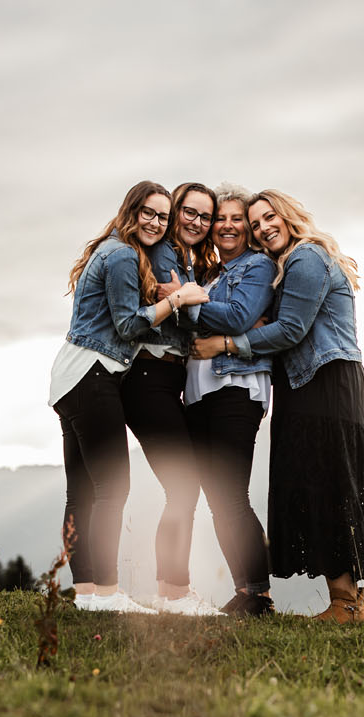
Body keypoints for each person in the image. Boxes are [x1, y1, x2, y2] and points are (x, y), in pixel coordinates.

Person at [193, 189, 364, 621]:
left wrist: (227, 342)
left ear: (288, 217)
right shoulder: (289, 264)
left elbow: (290, 329)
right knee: (327, 485)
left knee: (331, 486)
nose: (262, 227)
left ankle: (346, 602)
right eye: (255, 225)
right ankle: (348, 602)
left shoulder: (306, 257)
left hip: (326, 381)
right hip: (314, 382)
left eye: (268, 217)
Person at [48, 181, 207, 613]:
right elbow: (127, 326)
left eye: (163, 216)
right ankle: (106, 592)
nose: (156, 223)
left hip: (70, 375)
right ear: (131, 211)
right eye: (148, 213)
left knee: (81, 490)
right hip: (94, 374)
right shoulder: (120, 255)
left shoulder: (112, 249)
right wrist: (179, 298)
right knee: (112, 488)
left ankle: (86, 594)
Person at [121, 182, 223, 615]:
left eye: (206, 217)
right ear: (174, 210)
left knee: (181, 486)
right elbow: (180, 306)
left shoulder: (183, 259)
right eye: (189, 212)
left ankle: (172, 591)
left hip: (161, 379)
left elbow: (187, 306)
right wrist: (189, 298)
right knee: (183, 485)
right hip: (148, 375)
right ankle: (175, 595)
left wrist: (189, 297)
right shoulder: (165, 253)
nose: (197, 223)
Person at [182, 183, 277, 617]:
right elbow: (232, 317)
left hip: (236, 390)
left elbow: (240, 317)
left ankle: (259, 595)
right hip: (201, 393)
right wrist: (194, 299)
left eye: (237, 218)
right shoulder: (208, 276)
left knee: (232, 495)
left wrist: (185, 305)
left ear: (248, 228)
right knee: (217, 496)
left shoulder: (256, 266)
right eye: (220, 218)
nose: (226, 225)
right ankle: (245, 591)